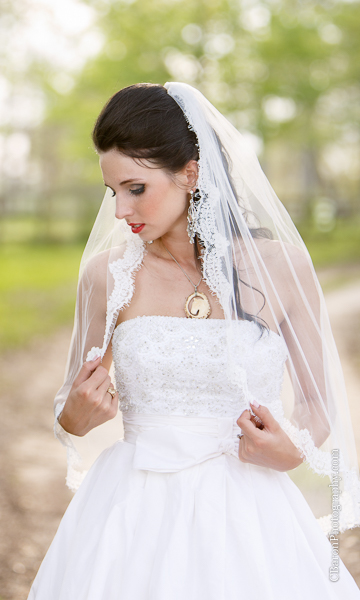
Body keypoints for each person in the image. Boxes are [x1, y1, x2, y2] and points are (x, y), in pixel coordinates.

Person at [27, 81, 360, 599]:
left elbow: (319, 405)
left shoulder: (282, 269)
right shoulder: (107, 277)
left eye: (136, 188)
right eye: (113, 192)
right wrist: (75, 414)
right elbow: (69, 409)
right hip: (135, 512)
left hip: (249, 517)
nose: (120, 211)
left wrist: (291, 449)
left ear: (190, 173)